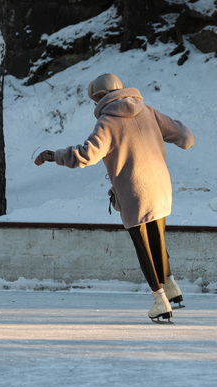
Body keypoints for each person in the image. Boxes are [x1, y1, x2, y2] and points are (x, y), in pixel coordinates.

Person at [34, 73, 195, 323]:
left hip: (135, 193)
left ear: (99, 97)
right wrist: (188, 139)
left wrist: (54, 155)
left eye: (93, 99)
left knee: (143, 247)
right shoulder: (148, 111)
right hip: (161, 186)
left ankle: (159, 300)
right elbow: (183, 136)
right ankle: (172, 287)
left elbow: (85, 155)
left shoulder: (108, 122)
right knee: (157, 239)